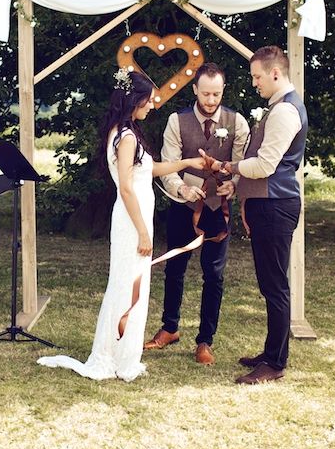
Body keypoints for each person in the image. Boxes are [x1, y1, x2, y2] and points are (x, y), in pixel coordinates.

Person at [37, 70, 207, 381]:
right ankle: (116, 355)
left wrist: (185, 163)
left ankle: (121, 351)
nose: (152, 106)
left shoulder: (126, 132)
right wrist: (143, 230)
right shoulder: (126, 136)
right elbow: (127, 187)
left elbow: (149, 169)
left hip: (134, 217)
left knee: (131, 285)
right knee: (128, 287)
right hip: (132, 220)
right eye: (149, 101)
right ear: (135, 100)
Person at [210, 46, 308, 384]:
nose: (254, 83)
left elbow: (266, 165)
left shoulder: (284, 112)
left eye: (257, 76)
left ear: (275, 74)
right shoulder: (279, 108)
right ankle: (271, 352)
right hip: (268, 205)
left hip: (275, 206)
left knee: (276, 286)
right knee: (270, 284)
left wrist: (228, 166)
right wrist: (237, 184)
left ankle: (276, 364)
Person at [144, 63, 250, 365]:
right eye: (205, 93)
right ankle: (169, 328)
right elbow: (169, 164)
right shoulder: (177, 121)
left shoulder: (237, 121)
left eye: (216, 94)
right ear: (194, 90)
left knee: (214, 275)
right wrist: (182, 190)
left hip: (219, 210)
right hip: (184, 205)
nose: (211, 100)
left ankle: (205, 340)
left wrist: (234, 184)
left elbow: (243, 163)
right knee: (174, 269)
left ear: (223, 91)